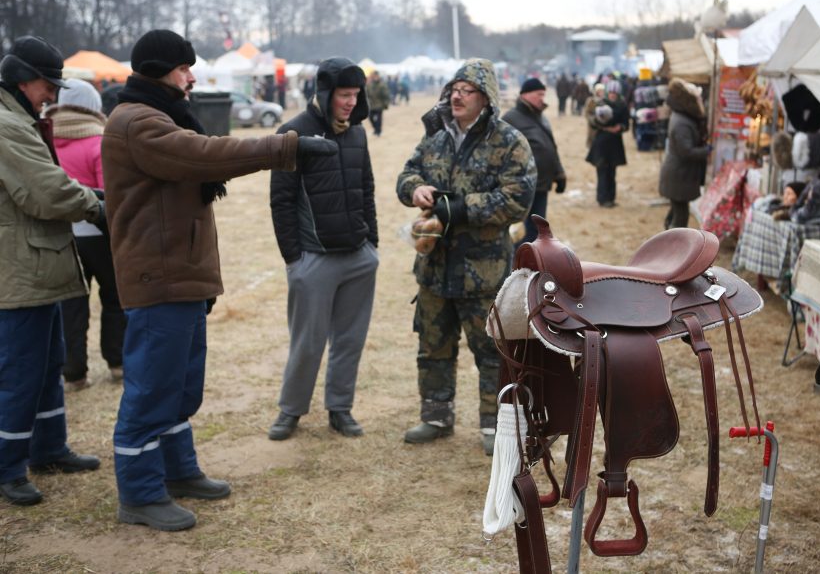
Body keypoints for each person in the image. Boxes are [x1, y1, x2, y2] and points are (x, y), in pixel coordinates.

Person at [102, 29, 337, 531]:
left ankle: (177, 471)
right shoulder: (138, 122)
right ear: (158, 70)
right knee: (151, 388)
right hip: (158, 275)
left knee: (181, 386)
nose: (191, 76)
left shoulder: (159, 115)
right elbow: (204, 156)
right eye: (183, 67)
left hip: (180, 273)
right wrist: (286, 147)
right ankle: (140, 494)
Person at [396, 58, 535, 455]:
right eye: (453, 88)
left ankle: (495, 424)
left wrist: (459, 208)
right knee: (433, 345)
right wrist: (416, 189)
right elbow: (406, 175)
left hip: (483, 272)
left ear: (485, 98)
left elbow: (517, 200)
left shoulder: (509, 142)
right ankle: (436, 416)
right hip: (435, 268)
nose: (457, 95)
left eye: (466, 90)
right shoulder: (437, 138)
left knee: (492, 352)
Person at [0, 36, 105, 506]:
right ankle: (7, 467)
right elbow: (48, 192)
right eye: (48, 85)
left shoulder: (20, 119)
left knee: (46, 365)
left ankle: (47, 448)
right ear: (23, 80)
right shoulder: (7, 126)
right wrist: (98, 205)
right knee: (21, 371)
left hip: (37, 266)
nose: (53, 95)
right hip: (19, 271)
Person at [267, 57, 379, 441]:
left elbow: (366, 188)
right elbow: (280, 201)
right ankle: (290, 410)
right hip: (313, 260)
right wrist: (294, 260)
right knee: (308, 342)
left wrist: (372, 243)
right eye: (344, 94)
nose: (350, 102)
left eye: (355, 94)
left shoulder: (358, 133)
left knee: (350, 340)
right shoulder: (292, 133)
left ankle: (340, 409)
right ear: (325, 93)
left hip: (358, 257)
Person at [44, 78, 126, 390]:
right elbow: (110, 194)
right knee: (115, 296)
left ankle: (74, 372)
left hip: (62, 235)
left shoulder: (44, 142)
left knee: (71, 304)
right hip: (98, 233)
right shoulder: (98, 142)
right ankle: (117, 362)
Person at [502, 77, 566, 245]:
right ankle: (516, 265)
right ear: (525, 94)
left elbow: (550, 146)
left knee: (538, 230)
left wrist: (559, 173)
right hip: (521, 186)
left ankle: (530, 264)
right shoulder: (510, 118)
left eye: (544, 95)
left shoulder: (541, 118)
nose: (542, 98)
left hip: (542, 184)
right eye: (539, 94)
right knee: (522, 231)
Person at [660, 78, 710, 229]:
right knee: (680, 215)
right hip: (679, 175)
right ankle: (675, 246)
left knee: (677, 210)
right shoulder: (682, 122)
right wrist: (706, 151)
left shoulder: (682, 118)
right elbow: (686, 151)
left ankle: (668, 237)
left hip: (680, 175)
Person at [585, 80, 629, 208]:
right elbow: (591, 120)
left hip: (615, 143)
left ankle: (611, 198)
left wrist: (619, 127)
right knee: (602, 170)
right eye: (611, 93)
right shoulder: (599, 103)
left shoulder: (622, 105)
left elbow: (626, 124)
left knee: (612, 171)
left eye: (615, 93)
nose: (612, 95)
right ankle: (602, 199)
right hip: (601, 142)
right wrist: (602, 125)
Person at [365, 71, 390, 136]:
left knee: (379, 119)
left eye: (376, 76)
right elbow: (366, 94)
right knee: (370, 117)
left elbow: (386, 95)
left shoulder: (382, 85)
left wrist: (386, 104)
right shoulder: (369, 85)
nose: (375, 77)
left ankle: (378, 131)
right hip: (371, 105)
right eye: (374, 76)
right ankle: (376, 129)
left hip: (379, 105)